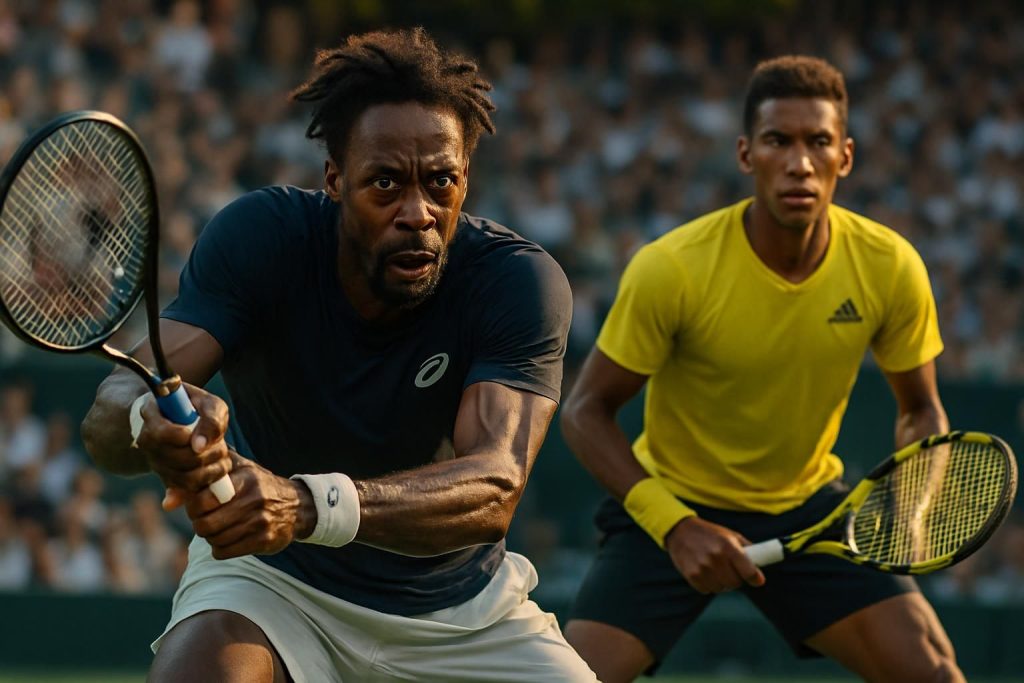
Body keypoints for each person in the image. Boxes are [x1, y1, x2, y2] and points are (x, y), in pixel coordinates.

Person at [81, 27, 596, 683]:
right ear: (335, 179)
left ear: (466, 180)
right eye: (385, 183)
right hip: (273, 588)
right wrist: (145, 423)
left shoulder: (518, 281)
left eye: (441, 181)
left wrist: (303, 505)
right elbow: (118, 401)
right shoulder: (261, 237)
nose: (418, 211)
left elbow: (494, 484)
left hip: (460, 614)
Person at [560, 55, 964, 683]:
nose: (800, 162)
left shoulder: (891, 266)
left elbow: (921, 409)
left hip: (810, 512)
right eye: (779, 141)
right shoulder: (672, 268)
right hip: (672, 505)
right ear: (747, 155)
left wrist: (913, 499)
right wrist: (676, 528)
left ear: (845, 157)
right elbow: (584, 413)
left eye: (819, 142)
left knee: (934, 672)